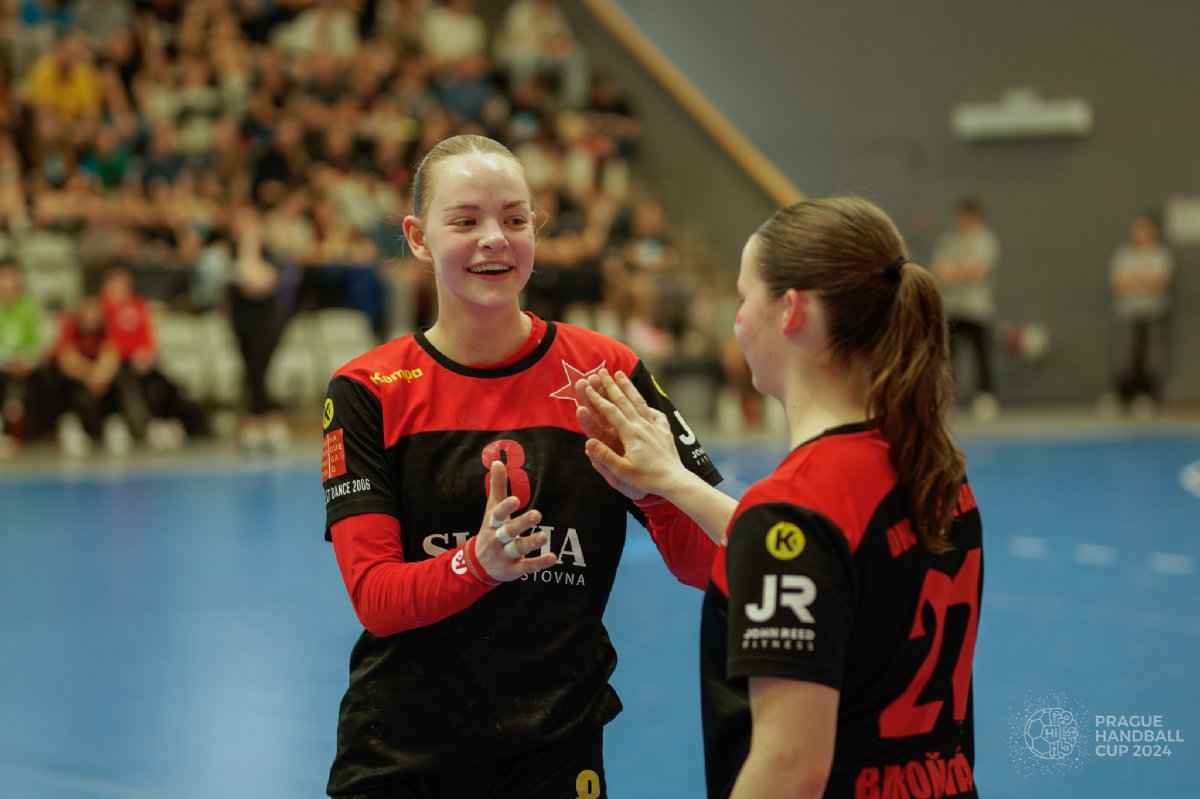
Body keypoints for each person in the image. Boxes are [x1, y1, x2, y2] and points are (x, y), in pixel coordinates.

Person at [319, 134, 723, 799]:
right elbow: (377, 598)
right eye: (465, 221)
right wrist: (477, 564)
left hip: (554, 746)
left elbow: (708, 563)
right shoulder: (368, 390)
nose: (494, 239)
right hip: (403, 748)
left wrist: (657, 489)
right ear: (418, 238)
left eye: (514, 219)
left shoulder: (608, 372)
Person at [575, 196, 983, 798]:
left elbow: (790, 771)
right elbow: (829, 552)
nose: (738, 323)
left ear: (791, 311)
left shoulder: (797, 504)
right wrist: (673, 481)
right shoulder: (933, 470)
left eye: (744, 299)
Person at [931, 198, 999, 421]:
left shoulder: (986, 240)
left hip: (977, 308)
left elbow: (978, 271)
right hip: (953, 307)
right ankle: (947, 397)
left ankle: (986, 397)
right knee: (949, 356)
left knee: (981, 355)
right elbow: (939, 268)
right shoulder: (949, 239)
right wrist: (959, 273)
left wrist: (956, 273)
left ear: (976, 217)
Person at [1105, 213, 1174, 417]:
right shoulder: (1124, 254)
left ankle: (1145, 396)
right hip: (1128, 313)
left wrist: (1134, 281)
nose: (1141, 233)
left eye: (1145, 229)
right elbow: (1117, 282)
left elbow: (1160, 281)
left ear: (1152, 231)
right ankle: (1122, 396)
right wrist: (1144, 281)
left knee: (1151, 357)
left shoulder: (1160, 254)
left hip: (1153, 313)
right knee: (1125, 356)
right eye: (1137, 229)